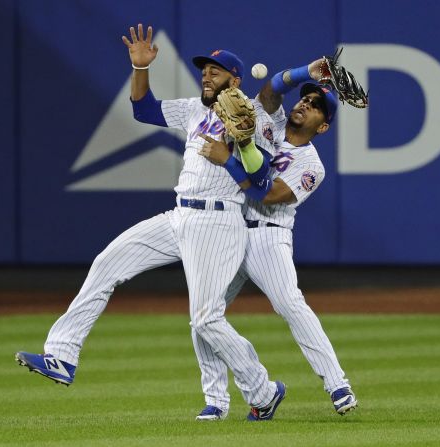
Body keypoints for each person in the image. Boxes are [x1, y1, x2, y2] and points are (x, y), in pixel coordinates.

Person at [15, 23, 287, 421]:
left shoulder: (253, 116)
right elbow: (144, 109)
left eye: (216, 70)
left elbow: (262, 182)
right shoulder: (196, 109)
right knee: (107, 262)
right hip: (180, 216)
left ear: (236, 79)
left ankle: (262, 391)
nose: (207, 75)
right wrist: (140, 69)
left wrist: (238, 147)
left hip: (218, 222)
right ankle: (62, 356)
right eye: (205, 70)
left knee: (206, 319)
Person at [191, 59, 358, 421]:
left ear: (323, 126)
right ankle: (217, 400)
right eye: (305, 99)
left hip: (269, 238)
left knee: (290, 304)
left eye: (315, 106)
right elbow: (270, 91)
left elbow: (267, 195)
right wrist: (305, 73)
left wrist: (227, 161)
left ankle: (337, 384)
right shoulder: (274, 121)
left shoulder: (313, 166)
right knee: (204, 314)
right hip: (228, 229)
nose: (305, 105)